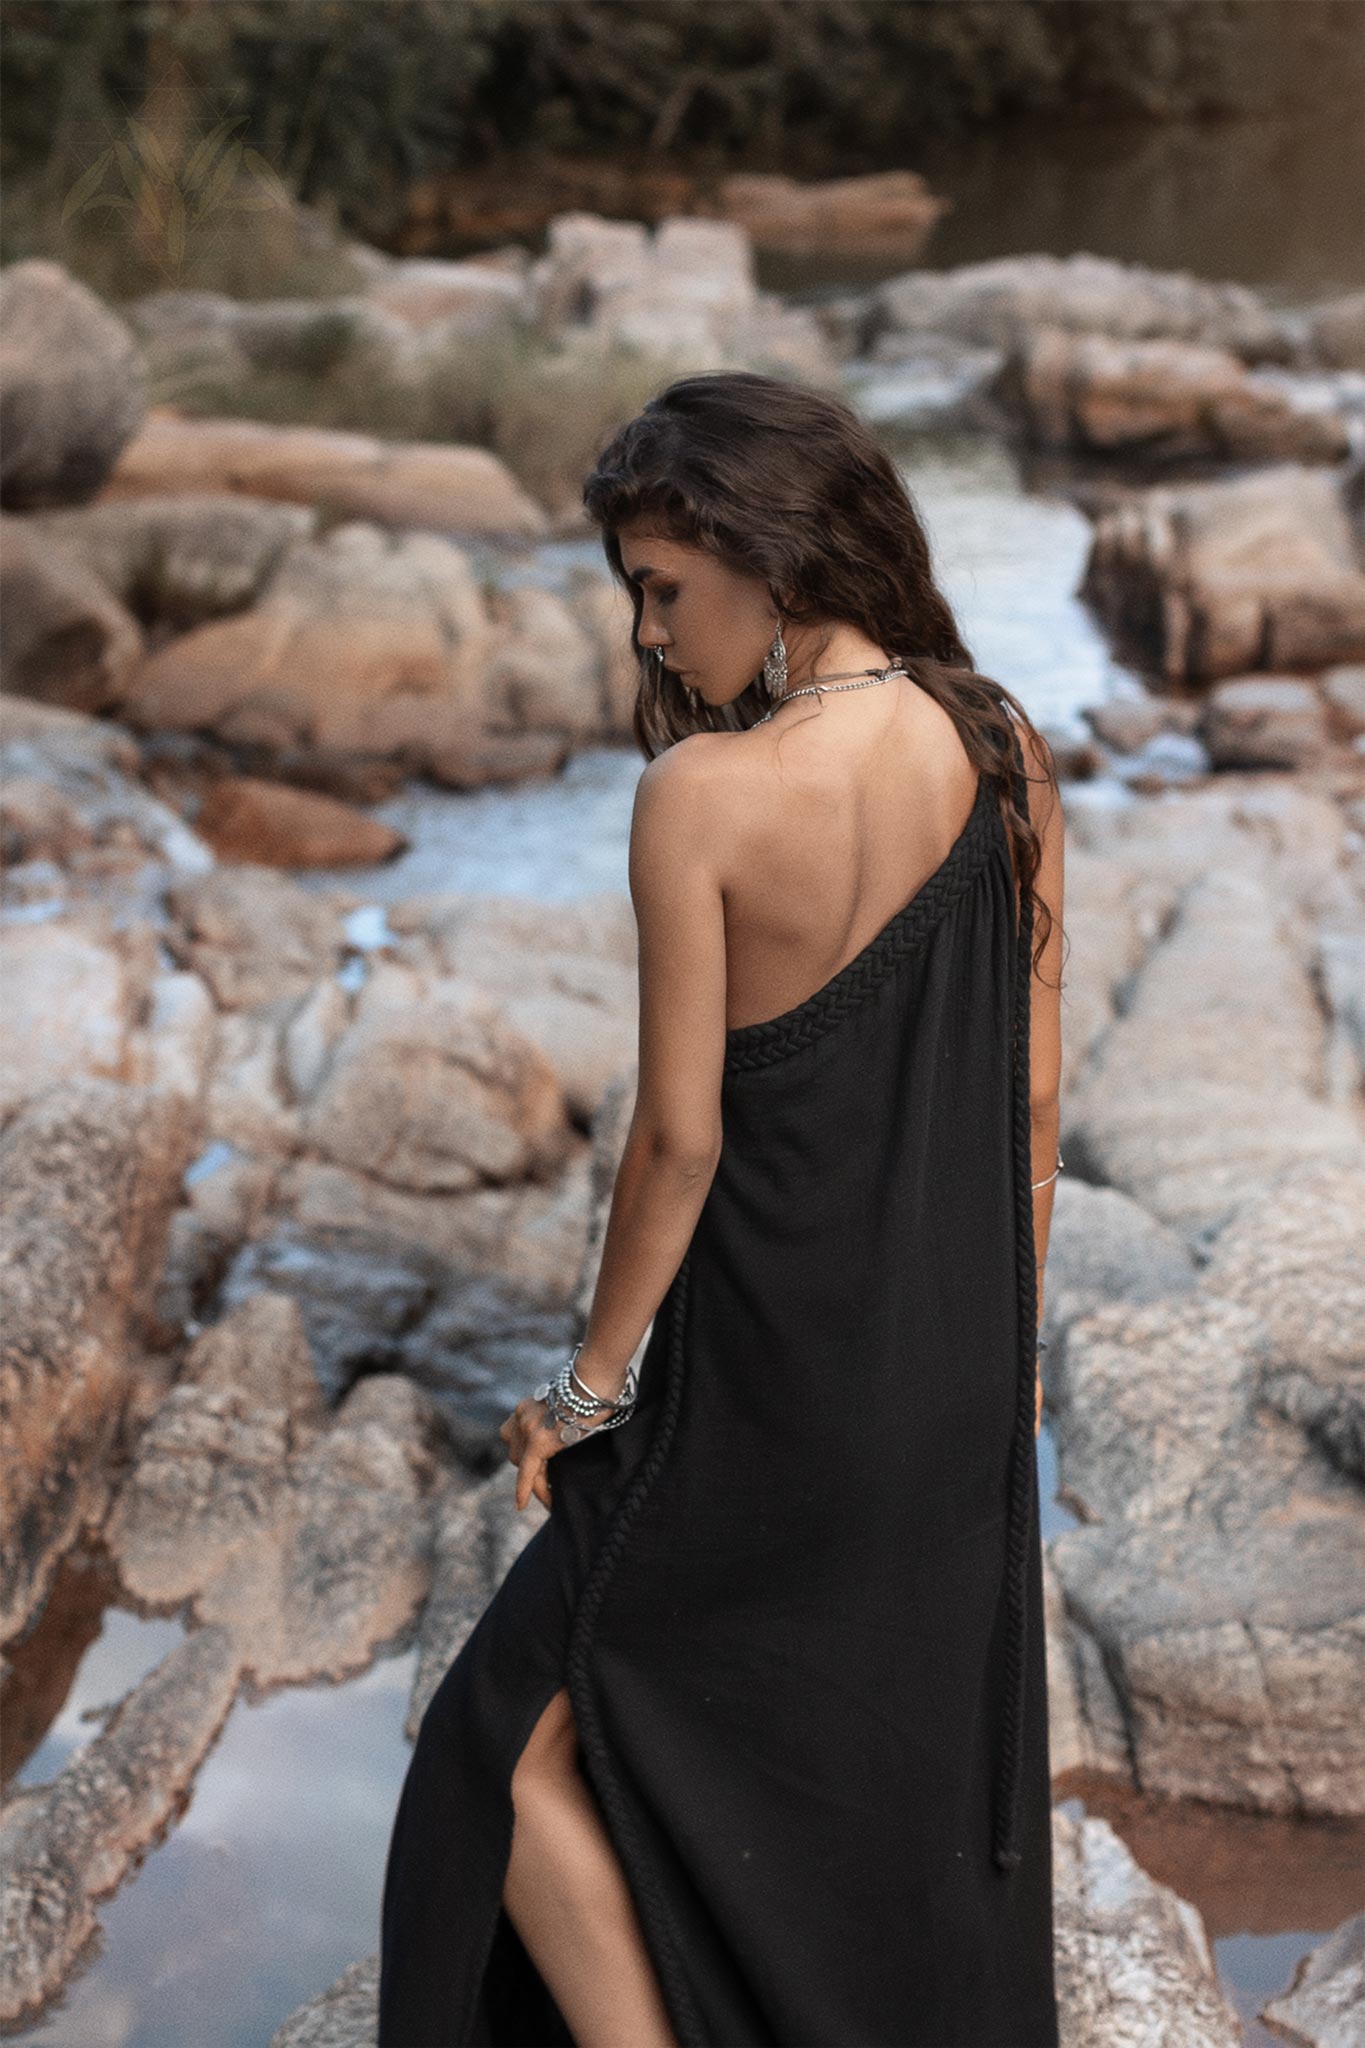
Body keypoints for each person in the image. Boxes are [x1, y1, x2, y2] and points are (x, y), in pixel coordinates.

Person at [378, 369, 1066, 2048]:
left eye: (662, 590)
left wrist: (586, 1387)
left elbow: (677, 1143)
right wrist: (995, 1359)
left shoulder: (702, 797)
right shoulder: (997, 743)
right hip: (945, 1377)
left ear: (766, 554)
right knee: (838, 1764)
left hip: (753, 1391)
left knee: (501, 1743)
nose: (648, 636)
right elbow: (1032, 1102)